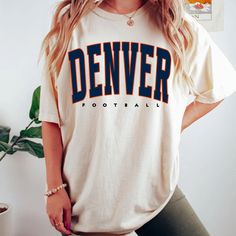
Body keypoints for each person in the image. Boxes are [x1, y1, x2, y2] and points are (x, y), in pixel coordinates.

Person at [38, 0, 236, 235]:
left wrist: (175, 126)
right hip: (88, 195)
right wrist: (54, 188)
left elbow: (218, 88)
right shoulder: (70, 27)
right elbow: (50, 117)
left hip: (154, 186)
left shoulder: (176, 26)